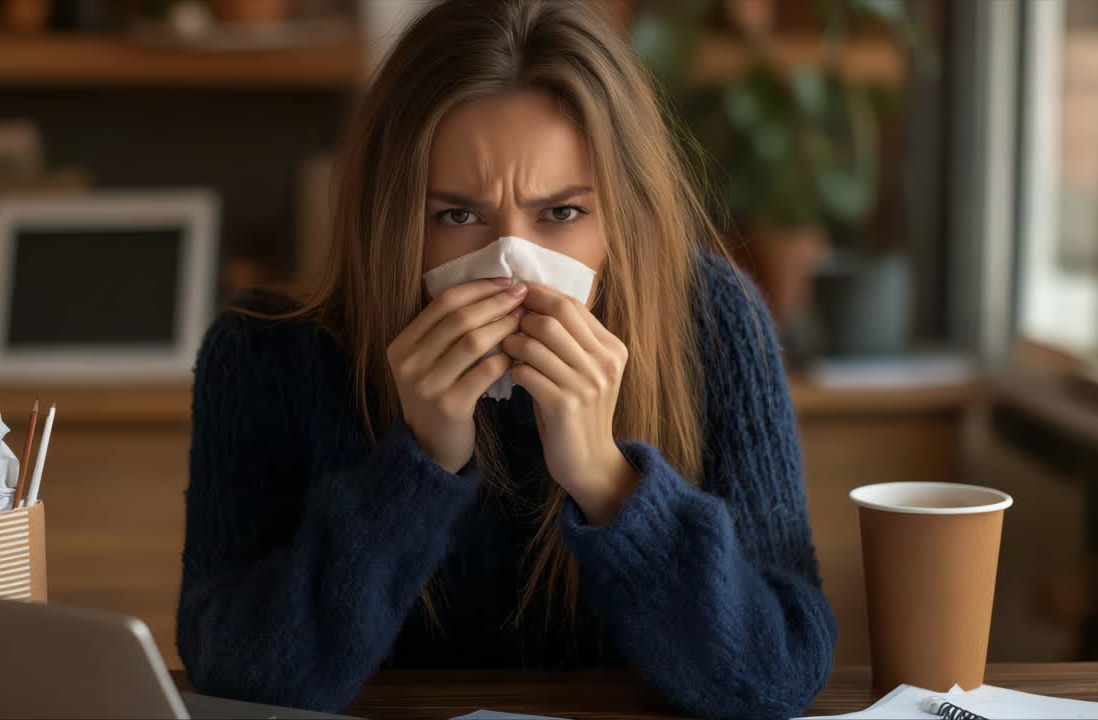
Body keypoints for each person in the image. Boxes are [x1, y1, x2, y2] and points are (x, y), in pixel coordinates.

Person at [177, 1, 837, 718]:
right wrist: (416, 468)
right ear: (390, 218)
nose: (513, 269)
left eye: (561, 213)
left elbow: (776, 679)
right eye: (457, 217)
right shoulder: (266, 353)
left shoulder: (713, 322)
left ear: (624, 212)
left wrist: (610, 483)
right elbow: (239, 682)